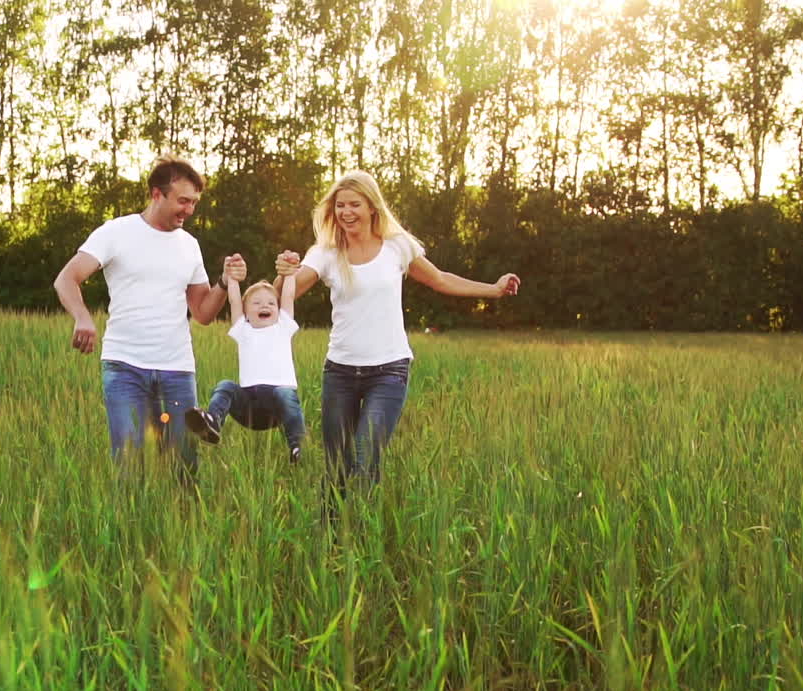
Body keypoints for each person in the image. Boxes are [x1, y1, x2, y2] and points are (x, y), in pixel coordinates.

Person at [274, 170, 520, 506]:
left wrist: (492, 289)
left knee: (364, 457)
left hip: (388, 372)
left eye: (354, 204)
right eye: (340, 205)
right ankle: (332, 541)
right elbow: (284, 295)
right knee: (336, 469)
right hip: (341, 372)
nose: (346, 212)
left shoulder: (396, 246)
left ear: (372, 207)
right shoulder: (326, 252)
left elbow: (440, 279)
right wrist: (283, 274)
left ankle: (361, 538)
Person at [53, 155, 247, 483]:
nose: (189, 210)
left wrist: (224, 283)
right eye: (183, 201)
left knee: (184, 467)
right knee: (129, 464)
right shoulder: (116, 232)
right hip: (124, 367)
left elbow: (202, 312)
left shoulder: (189, 245)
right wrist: (82, 317)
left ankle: (182, 529)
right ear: (157, 194)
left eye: (195, 203)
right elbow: (66, 279)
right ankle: (131, 530)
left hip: (176, 369)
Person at [184, 272, 305, 464]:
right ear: (246, 312)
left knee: (285, 394)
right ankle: (213, 422)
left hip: (276, 408)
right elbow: (233, 301)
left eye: (271, 303)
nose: (264, 306)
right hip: (248, 408)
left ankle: (297, 447)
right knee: (226, 385)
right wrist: (231, 278)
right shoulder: (243, 329)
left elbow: (289, 296)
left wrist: (290, 273)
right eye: (256, 303)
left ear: (278, 309)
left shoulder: (283, 327)